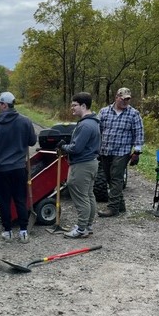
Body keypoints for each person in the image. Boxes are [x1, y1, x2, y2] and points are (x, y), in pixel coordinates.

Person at [0, 91, 37, 242]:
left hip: (0, 169)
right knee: (20, 199)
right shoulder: (25, 121)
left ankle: (8, 231)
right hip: (18, 168)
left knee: (4, 200)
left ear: (4, 105)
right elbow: (32, 142)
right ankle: (23, 232)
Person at [56, 92, 101, 238]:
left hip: (82, 164)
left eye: (74, 105)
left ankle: (81, 228)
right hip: (91, 163)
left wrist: (64, 147)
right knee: (88, 195)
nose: (72, 108)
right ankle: (87, 225)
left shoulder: (86, 125)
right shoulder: (93, 122)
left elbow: (76, 148)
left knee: (81, 196)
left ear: (83, 105)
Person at [97, 87, 144, 217]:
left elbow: (138, 133)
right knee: (108, 178)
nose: (125, 101)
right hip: (105, 150)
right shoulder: (104, 111)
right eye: (123, 99)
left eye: (128, 99)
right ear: (117, 97)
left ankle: (113, 208)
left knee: (116, 177)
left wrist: (137, 152)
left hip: (122, 151)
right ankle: (120, 204)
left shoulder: (134, 114)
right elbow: (97, 130)